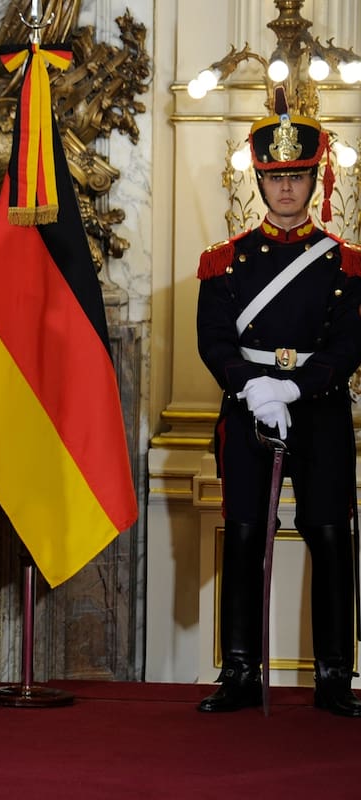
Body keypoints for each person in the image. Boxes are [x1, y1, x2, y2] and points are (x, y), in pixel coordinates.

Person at [195, 88, 361, 716]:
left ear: (314, 180)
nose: (286, 188)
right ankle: (239, 673)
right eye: (275, 177)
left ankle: (334, 678)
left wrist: (293, 386)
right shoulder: (224, 262)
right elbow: (213, 340)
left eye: (296, 176)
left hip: (319, 411)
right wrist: (253, 387)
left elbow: (349, 345)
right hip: (249, 412)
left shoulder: (347, 264)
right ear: (260, 181)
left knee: (330, 536)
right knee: (244, 536)